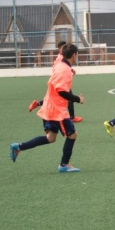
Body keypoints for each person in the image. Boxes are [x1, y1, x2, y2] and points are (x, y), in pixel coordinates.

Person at [9, 44, 84, 172]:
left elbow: (53, 89)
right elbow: (61, 91)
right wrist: (77, 99)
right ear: (74, 55)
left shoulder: (60, 65)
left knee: (51, 138)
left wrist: (39, 103)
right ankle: (64, 165)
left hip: (49, 107)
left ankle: (19, 147)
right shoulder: (64, 69)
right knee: (72, 135)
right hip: (57, 110)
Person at [28, 41, 83, 122]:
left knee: (54, 99)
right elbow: (59, 69)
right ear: (59, 49)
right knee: (68, 97)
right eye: (62, 48)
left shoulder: (62, 58)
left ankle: (38, 103)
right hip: (59, 82)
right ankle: (72, 117)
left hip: (57, 81)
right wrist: (78, 99)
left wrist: (71, 70)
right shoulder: (60, 59)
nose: (64, 49)